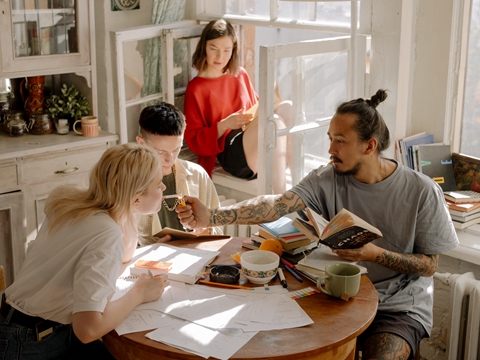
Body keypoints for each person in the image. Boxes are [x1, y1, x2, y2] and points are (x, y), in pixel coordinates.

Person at [177, 89, 459, 360]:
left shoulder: (422, 190)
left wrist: (376, 255)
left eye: (340, 141)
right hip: (335, 294)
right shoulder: (327, 177)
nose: (330, 149)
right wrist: (211, 216)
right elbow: (276, 205)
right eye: (329, 138)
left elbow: (430, 265)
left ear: (369, 145)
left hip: (398, 306)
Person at [0, 144, 170, 360]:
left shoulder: (70, 201)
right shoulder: (106, 233)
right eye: (158, 184)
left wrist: (128, 210)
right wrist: (139, 293)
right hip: (29, 342)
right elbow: (87, 330)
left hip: (25, 324)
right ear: (136, 197)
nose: (163, 188)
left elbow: (124, 257)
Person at [184, 18, 293, 193]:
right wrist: (225, 124)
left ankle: (299, 180)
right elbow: (194, 139)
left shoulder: (240, 74)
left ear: (233, 50)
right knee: (276, 124)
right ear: (204, 47)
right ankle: (281, 198)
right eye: (214, 49)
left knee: (288, 107)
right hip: (232, 153)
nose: (220, 57)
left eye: (227, 50)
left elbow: (256, 108)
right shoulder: (196, 88)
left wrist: (270, 101)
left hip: (251, 140)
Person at [136, 102, 223, 246]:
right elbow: (117, 249)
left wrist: (204, 231)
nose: (170, 159)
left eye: (176, 149)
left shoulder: (198, 175)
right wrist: (153, 250)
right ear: (141, 142)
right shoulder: (126, 183)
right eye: (161, 152)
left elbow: (218, 231)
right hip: (147, 267)